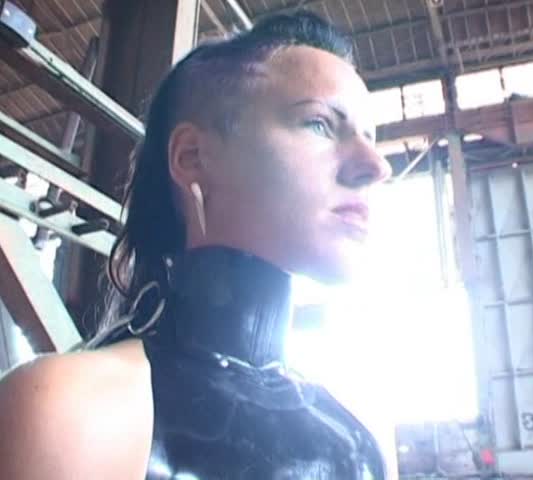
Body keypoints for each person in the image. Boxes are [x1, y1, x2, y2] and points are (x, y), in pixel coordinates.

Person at [0, 12, 392, 479]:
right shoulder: (72, 414)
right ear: (191, 157)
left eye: (371, 138)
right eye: (320, 124)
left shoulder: (358, 439)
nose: (376, 165)